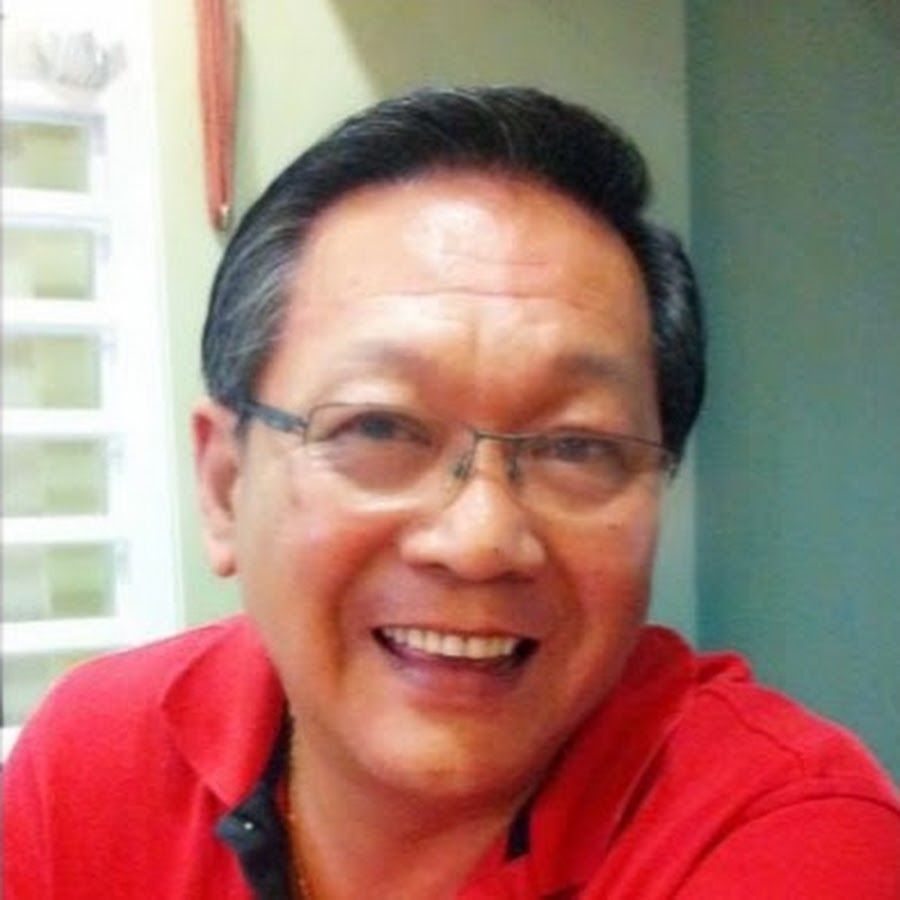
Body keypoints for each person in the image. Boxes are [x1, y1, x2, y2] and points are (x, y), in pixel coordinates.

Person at [4, 86, 899, 900]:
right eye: (379, 428)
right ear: (224, 485)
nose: (480, 540)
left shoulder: (789, 839)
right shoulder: (98, 757)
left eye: (577, 446)